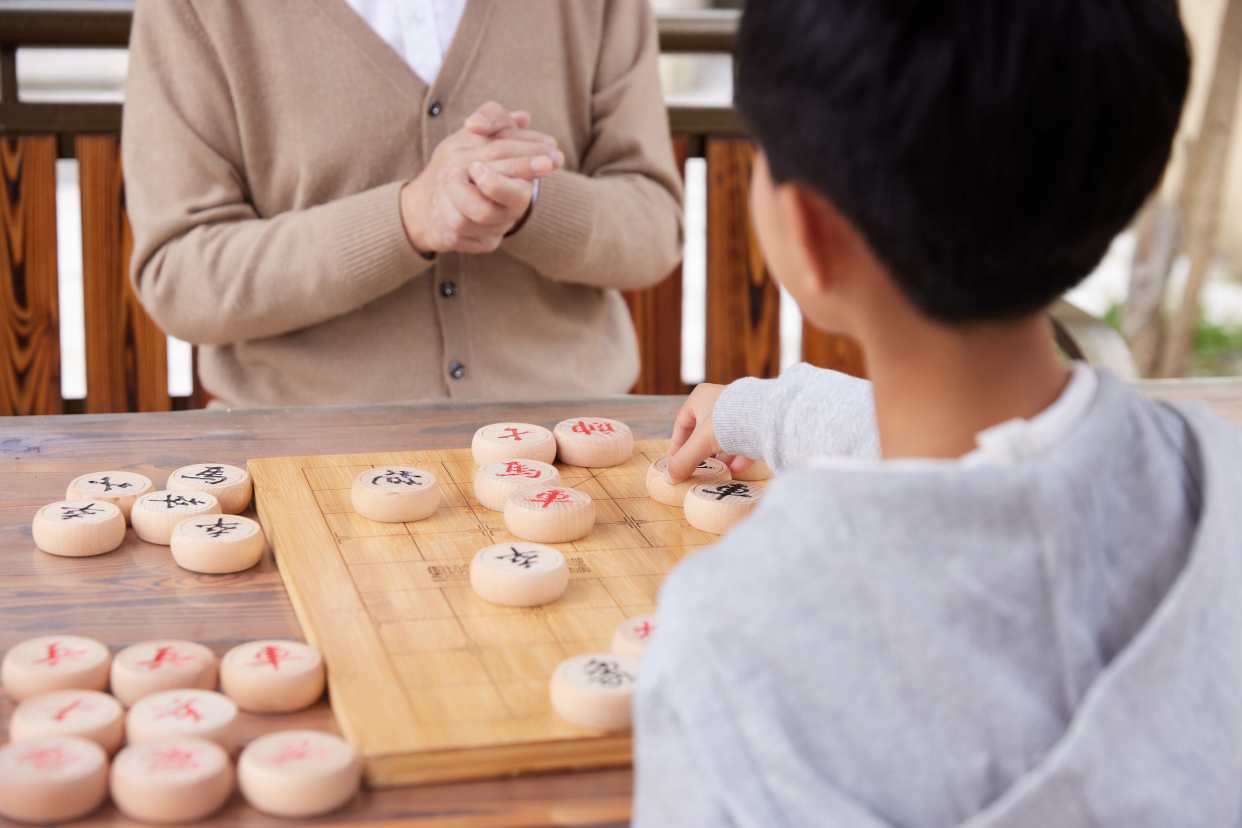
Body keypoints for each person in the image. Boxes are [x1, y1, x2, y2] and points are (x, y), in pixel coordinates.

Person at [635, 2, 1242, 825]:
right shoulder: (1220, 481)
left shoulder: (732, 643)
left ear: (806, 234)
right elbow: (1004, 479)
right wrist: (759, 409)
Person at [123, 1, 682, 408]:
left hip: (569, 447)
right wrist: (408, 220)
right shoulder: (194, 10)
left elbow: (655, 227)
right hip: (303, 453)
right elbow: (181, 275)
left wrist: (528, 199)